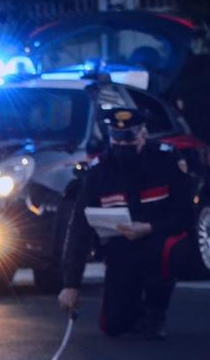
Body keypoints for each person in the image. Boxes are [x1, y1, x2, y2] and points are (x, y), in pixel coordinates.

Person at [58, 108, 194, 339]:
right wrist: (71, 284)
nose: (123, 146)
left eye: (129, 139)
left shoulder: (165, 161)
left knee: (170, 250)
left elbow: (185, 215)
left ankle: (155, 310)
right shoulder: (99, 172)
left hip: (157, 239)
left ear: (143, 134)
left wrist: (149, 228)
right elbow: (80, 229)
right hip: (121, 249)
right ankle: (135, 310)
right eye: (117, 140)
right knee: (113, 325)